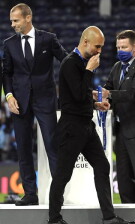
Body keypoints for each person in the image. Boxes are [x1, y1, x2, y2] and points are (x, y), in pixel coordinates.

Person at [48, 26, 135, 224]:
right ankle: (54, 219)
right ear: (85, 42)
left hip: (86, 126)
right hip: (71, 128)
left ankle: (109, 217)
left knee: (102, 166)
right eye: (98, 46)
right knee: (63, 174)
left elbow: (79, 95)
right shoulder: (70, 63)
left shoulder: (80, 62)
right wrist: (88, 71)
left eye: (102, 47)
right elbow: (78, 95)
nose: (100, 51)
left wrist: (95, 104)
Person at [2, 3, 67, 206]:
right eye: (11, 20)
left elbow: (65, 61)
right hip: (19, 103)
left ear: (28, 18)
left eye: (16, 20)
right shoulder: (9, 43)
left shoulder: (48, 39)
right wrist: (9, 95)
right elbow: (6, 73)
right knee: (23, 148)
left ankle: (58, 194)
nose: (12, 24)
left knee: (52, 146)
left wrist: (84, 69)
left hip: (45, 100)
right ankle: (30, 194)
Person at [103, 30, 135, 203]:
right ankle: (129, 213)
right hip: (122, 130)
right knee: (124, 179)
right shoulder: (117, 67)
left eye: (124, 47)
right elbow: (108, 87)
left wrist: (108, 94)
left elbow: (133, 94)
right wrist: (101, 100)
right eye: (118, 47)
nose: (120, 50)